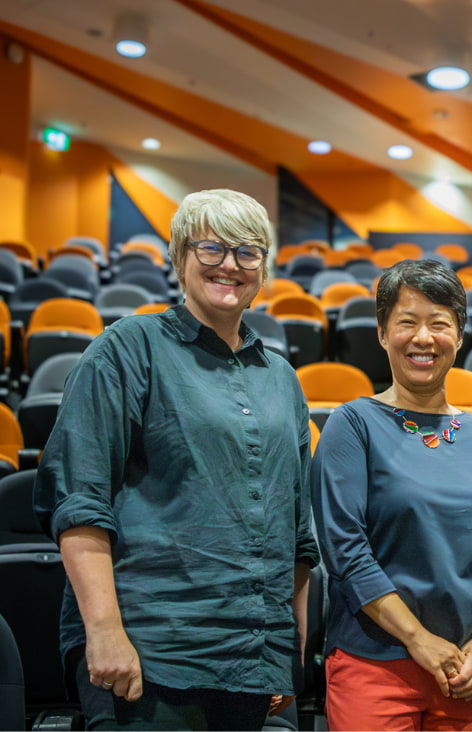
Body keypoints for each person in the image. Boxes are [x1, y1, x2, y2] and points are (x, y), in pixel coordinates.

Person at [32, 190, 317, 730]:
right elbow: (79, 500)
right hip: (149, 648)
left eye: (247, 251)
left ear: (263, 267)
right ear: (179, 256)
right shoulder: (126, 348)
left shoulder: (280, 377)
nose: (230, 264)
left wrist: (285, 654)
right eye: (211, 248)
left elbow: (295, 526)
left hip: (251, 655)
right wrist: (105, 631)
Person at [311, 260, 472, 730]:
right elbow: (346, 553)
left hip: (469, 668)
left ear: (460, 336)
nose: (423, 338)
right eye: (407, 322)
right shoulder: (353, 424)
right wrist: (418, 640)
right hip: (375, 662)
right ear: (384, 333)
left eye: (439, 323)